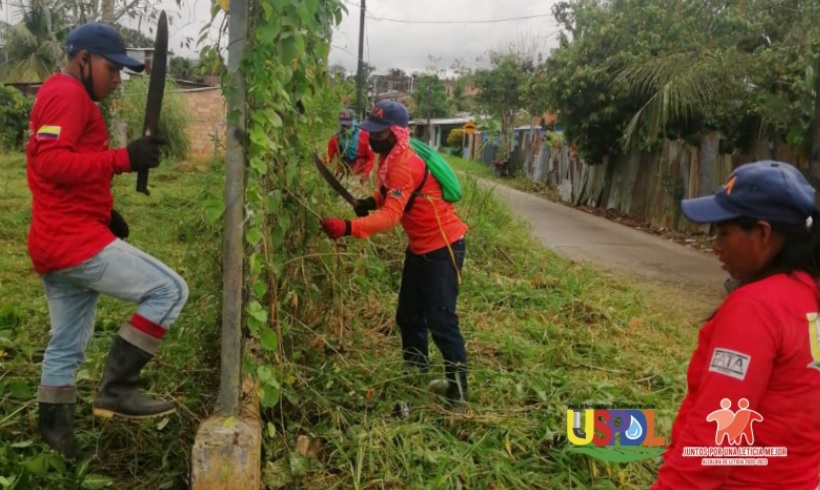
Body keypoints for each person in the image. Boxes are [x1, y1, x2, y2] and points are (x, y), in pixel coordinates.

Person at [27, 23, 188, 459]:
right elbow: (51, 165)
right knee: (170, 290)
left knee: (66, 345)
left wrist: (103, 211)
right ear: (83, 60)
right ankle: (117, 388)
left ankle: (61, 450)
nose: (118, 80)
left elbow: (65, 169)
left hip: (56, 237)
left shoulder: (63, 94)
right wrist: (123, 159)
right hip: (71, 241)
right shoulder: (68, 95)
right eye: (111, 69)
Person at [652, 161, 820, 489]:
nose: (715, 246)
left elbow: (715, 441)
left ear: (762, 233)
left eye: (725, 233)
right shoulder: (808, 296)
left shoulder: (756, 308)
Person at [319, 100, 470, 410]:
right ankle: (416, 370)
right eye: (371, 131)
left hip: (443, 246)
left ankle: (458, 391)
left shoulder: (404, 162)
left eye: (379, 133)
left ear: (396, 132)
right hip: (420, 247)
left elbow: (391, 216)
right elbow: (388, 194)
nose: (372, 138)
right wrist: (368, 202)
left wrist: (348, 227)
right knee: (409, 315)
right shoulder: (391, 158)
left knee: (441, 319)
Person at [326, 108, 375, 182]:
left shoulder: (364, 136)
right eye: (343, 125)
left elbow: (372, 158)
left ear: (353, 122)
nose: (345, 128)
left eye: (348, 125)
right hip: (343, 174)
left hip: (360, 175)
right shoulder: (336, 139)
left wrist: (365, 174)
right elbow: (328, 157)